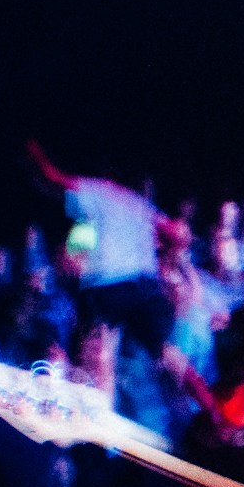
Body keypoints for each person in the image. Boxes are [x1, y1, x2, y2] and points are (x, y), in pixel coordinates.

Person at [27, 139, 174, 355]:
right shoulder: (140, 206)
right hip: (143, 289)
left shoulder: (102, 192)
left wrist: (33, 153)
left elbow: (51, 177)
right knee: (164, 352)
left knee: (98, 346)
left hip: (110, 289)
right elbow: (178, 233)